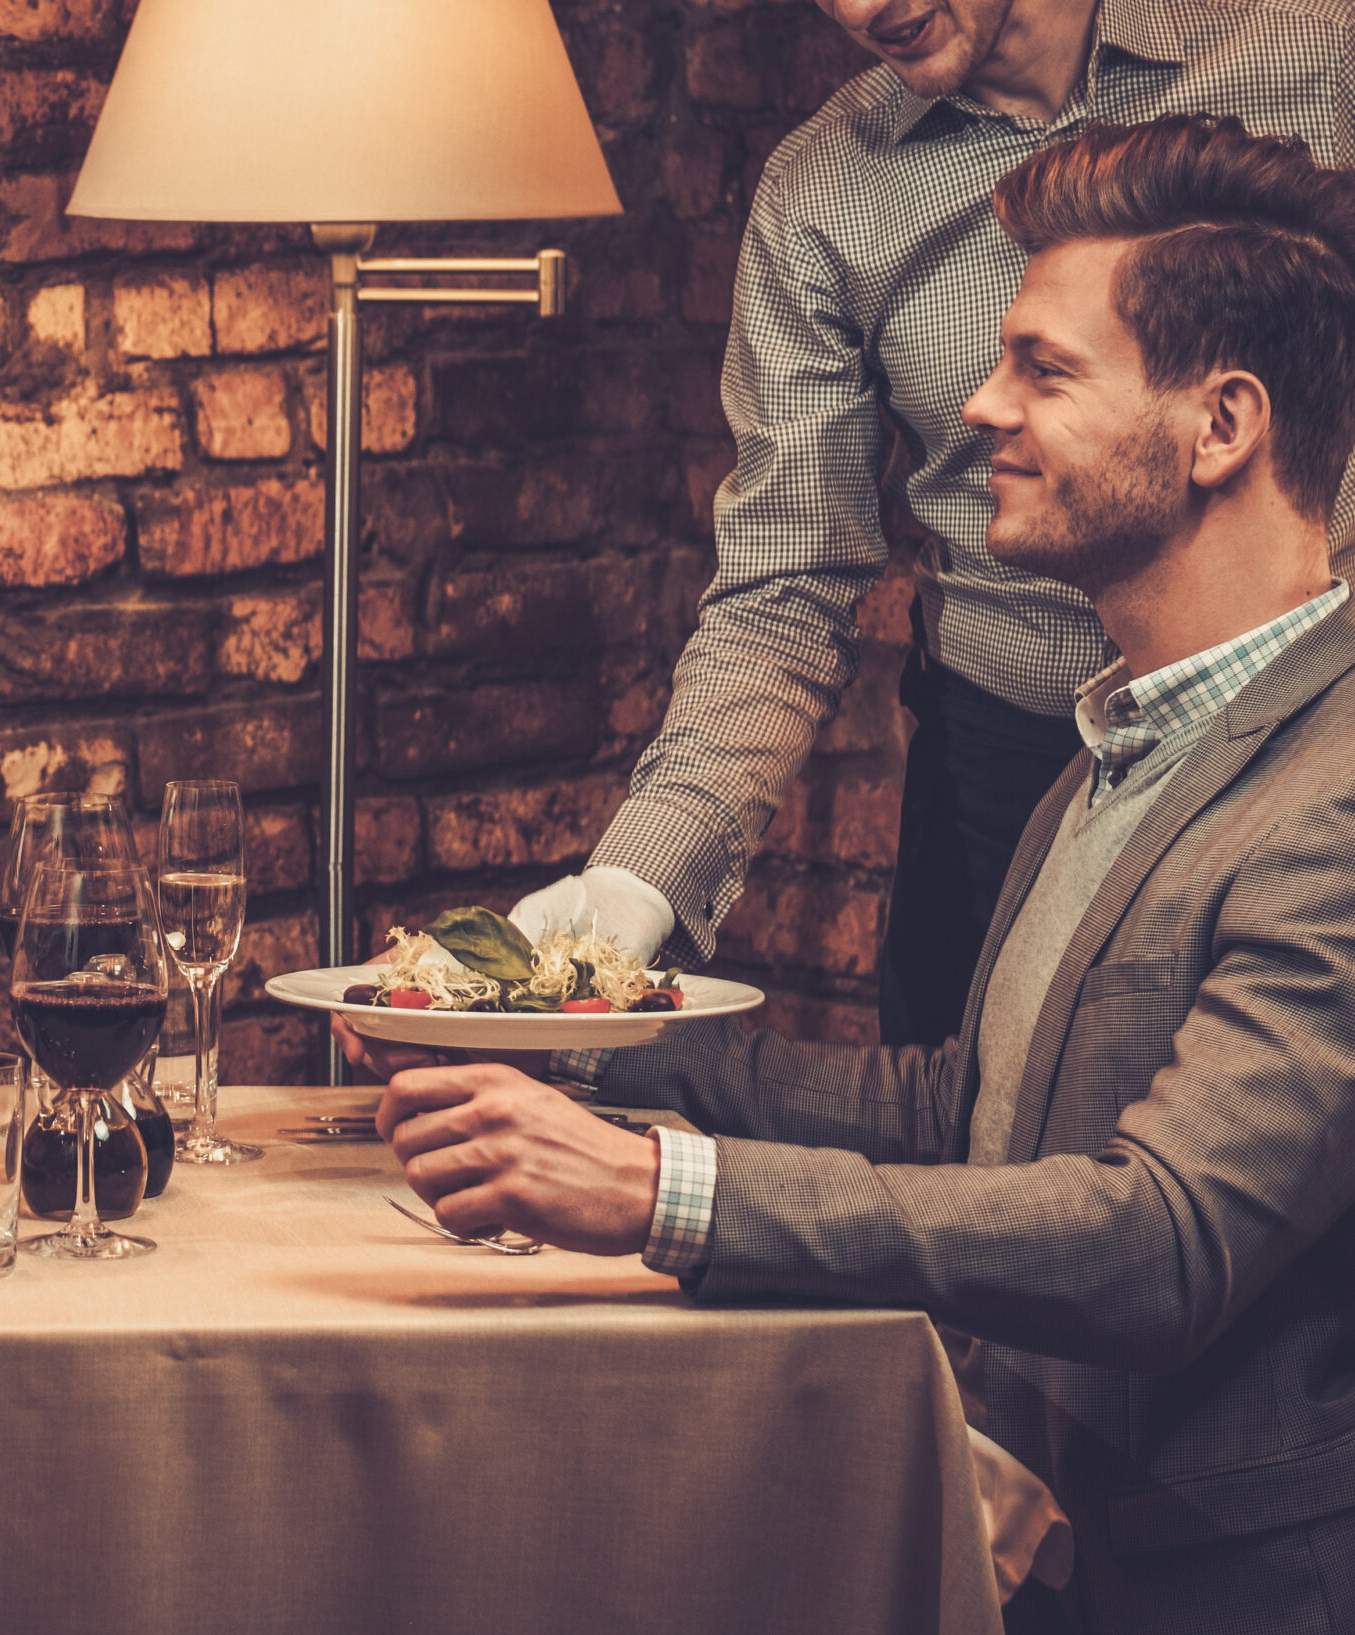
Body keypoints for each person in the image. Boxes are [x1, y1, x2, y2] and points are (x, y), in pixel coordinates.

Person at [352, 116, 1355, 1633]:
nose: (977, 406)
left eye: (1043, 369)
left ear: (1221, 427)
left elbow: (1163, 1238)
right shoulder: (1118, 737)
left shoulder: (1333, 796)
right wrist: (580, 1039)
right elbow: (965, 1112)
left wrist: (654, 1188)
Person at [514, 0, 1355, 1046]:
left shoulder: (1321, 57)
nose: (862, 8)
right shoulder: (820, 191)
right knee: (963, 1158)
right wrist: (635, 886)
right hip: (1006, 776)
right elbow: (785, 586)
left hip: (1316, 741)